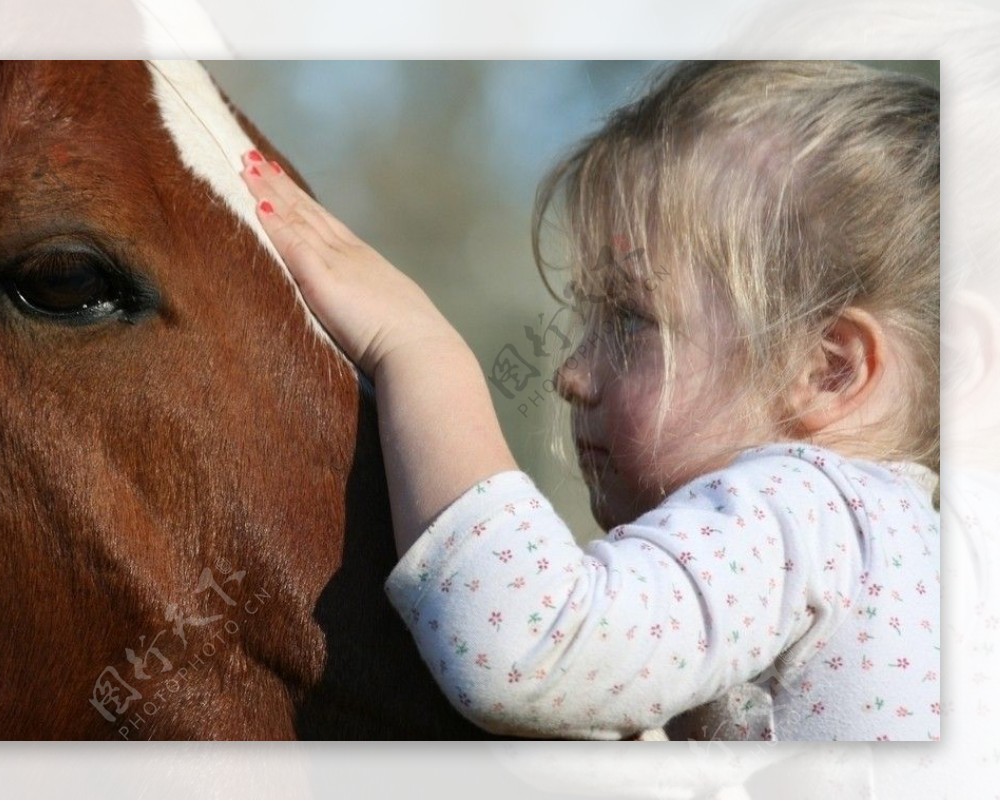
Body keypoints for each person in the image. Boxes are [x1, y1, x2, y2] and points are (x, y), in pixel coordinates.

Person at [239, 60, 940, 741]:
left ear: (829, 370)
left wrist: (419, 349)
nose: (572, 373)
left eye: (630, 317)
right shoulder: (910, 549)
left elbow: (530, 640)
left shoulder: (810, 509)